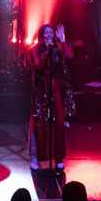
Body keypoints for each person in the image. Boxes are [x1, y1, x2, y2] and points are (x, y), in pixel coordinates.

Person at [29, 24, 73, 171]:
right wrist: (48, 50)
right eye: (46, 32)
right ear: (41, 35)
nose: (49, 34)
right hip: (41, 93)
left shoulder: (58, 47)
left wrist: (63, 42)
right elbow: (39, 66)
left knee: (58, 125)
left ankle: (59, 158)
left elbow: (69, 56)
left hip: (56, 93)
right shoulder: (35, 50)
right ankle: (35, 157)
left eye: (51, 32)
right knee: (39, 126)